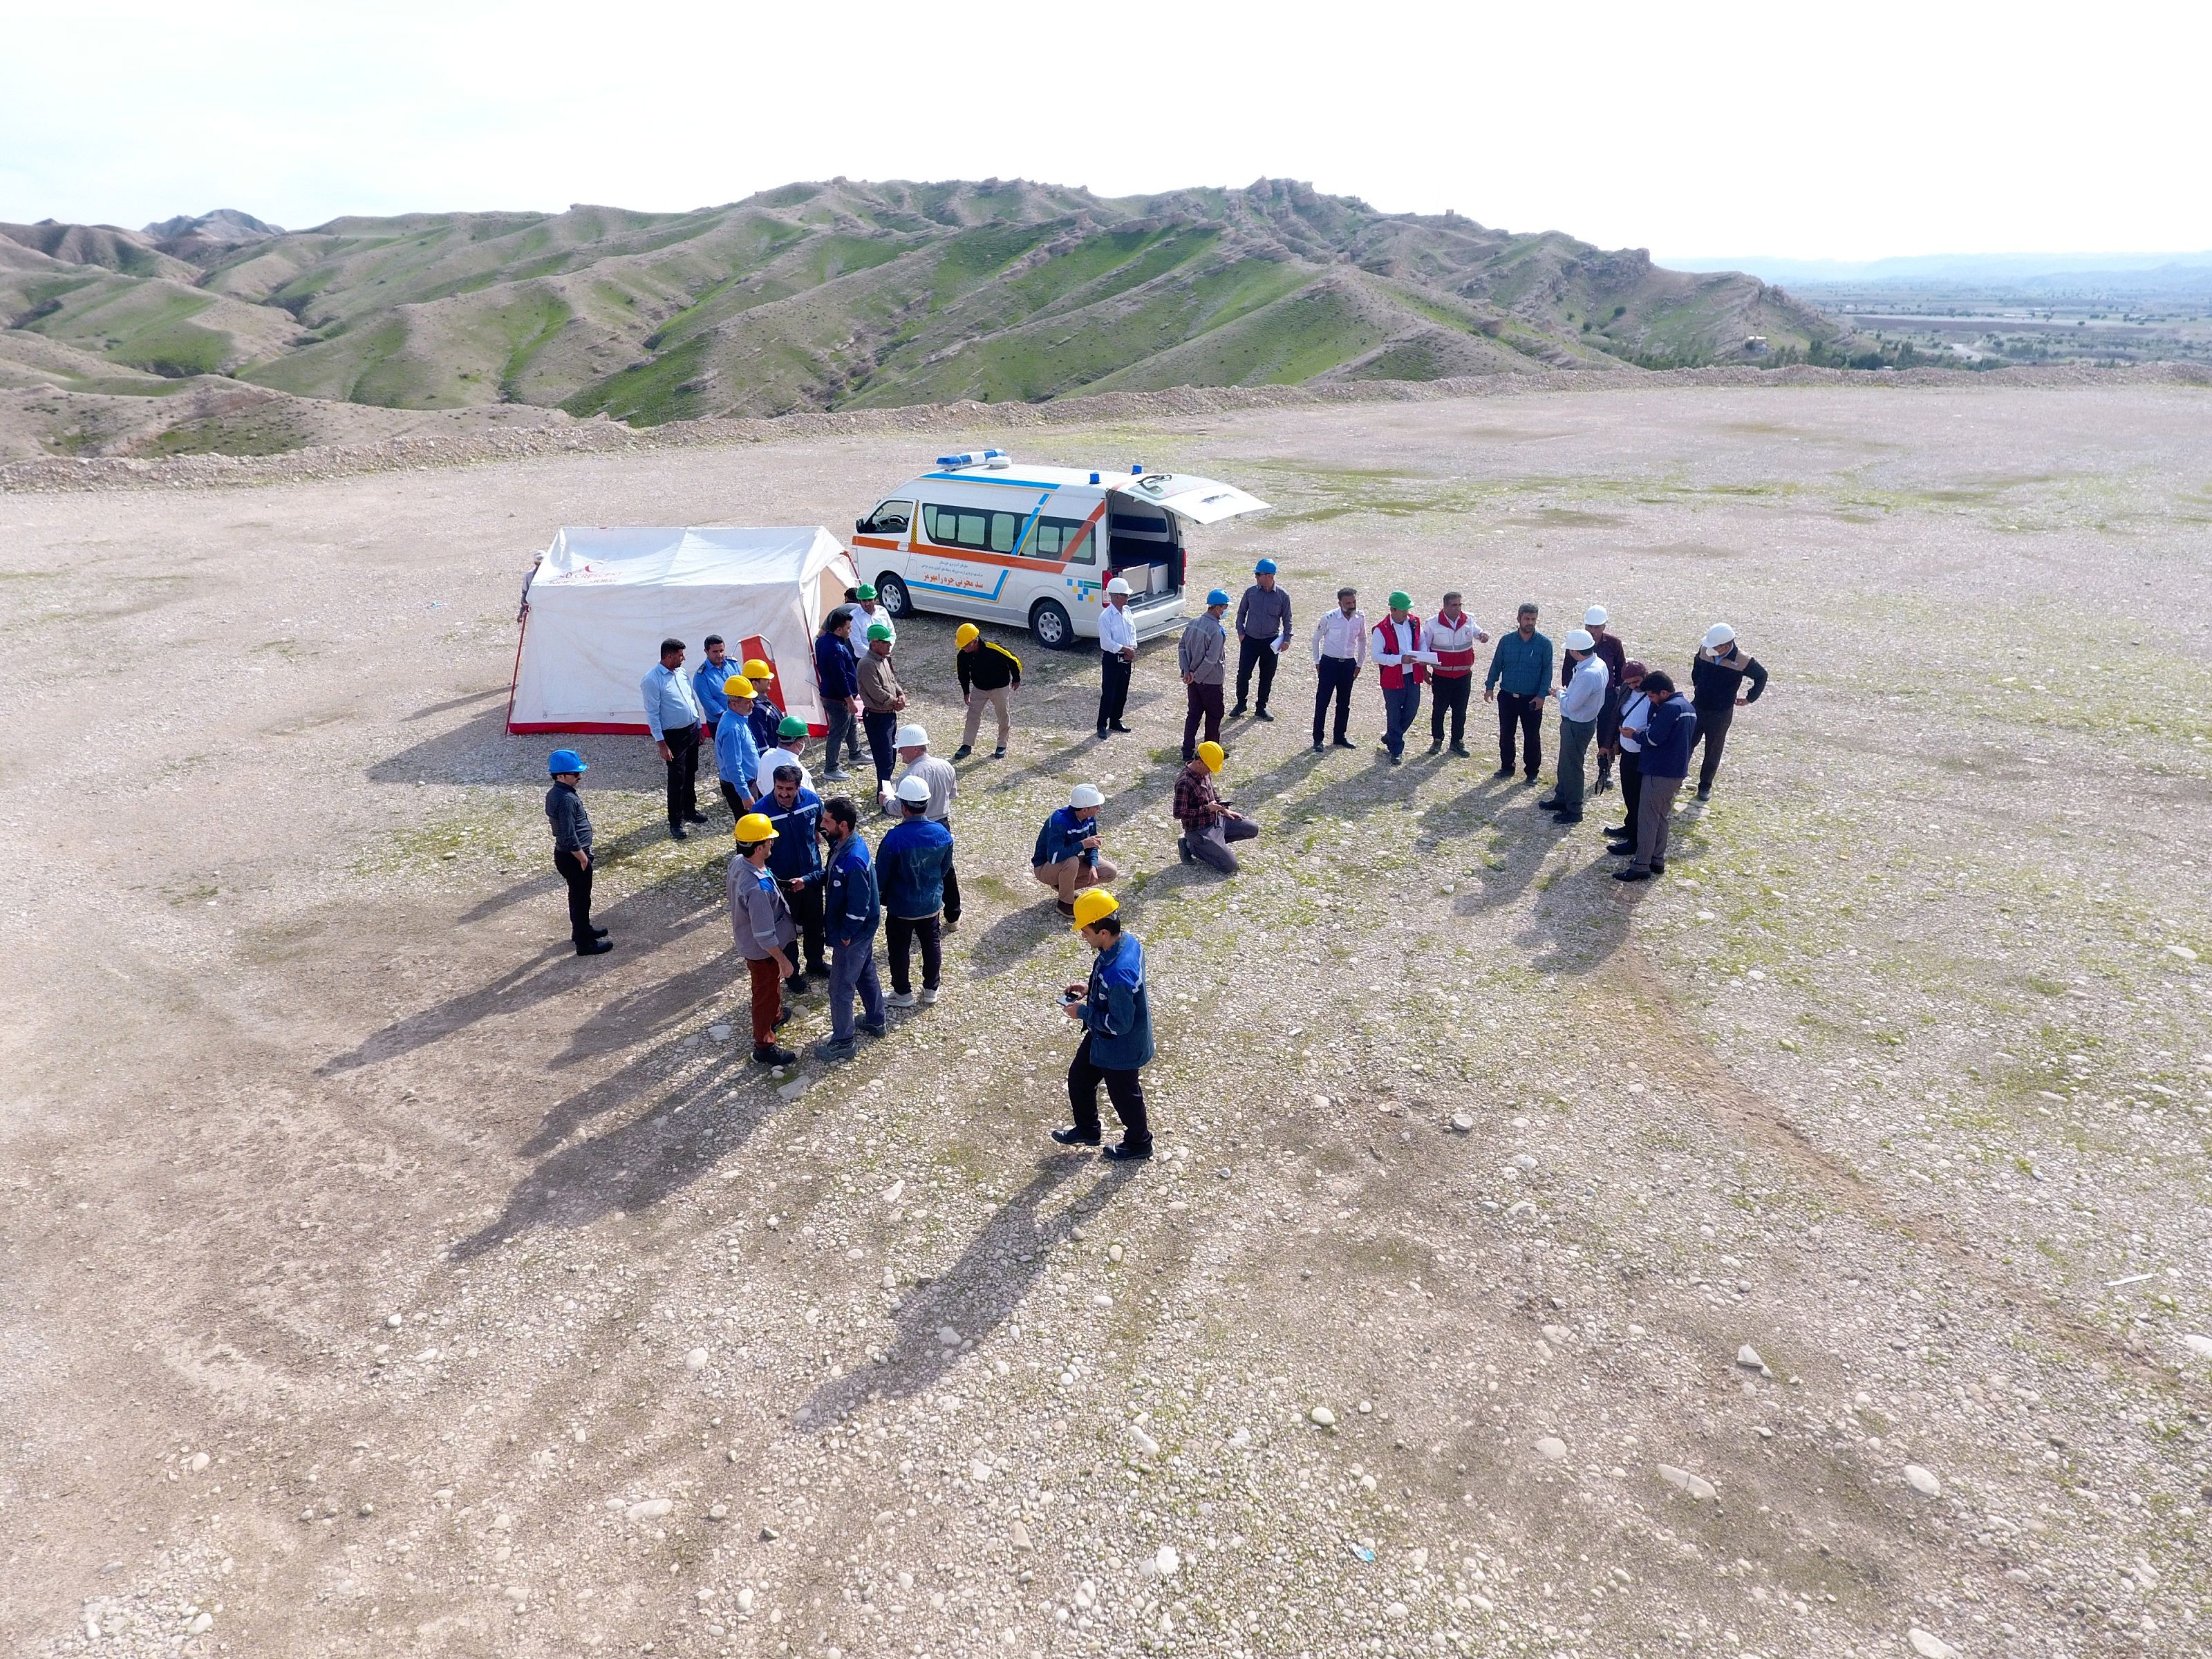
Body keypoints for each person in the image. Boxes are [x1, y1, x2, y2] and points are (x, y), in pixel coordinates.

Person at [1051, 890, 1154, 1161]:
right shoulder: (1126, 942)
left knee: (1125, 1097)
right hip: (1102, 1040)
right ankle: (1088, 1129)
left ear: (1103, 931)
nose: (1082, 935)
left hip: (1120, 1048)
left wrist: (1083, 1012)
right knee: (1079, 1079)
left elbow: (1120, 1024)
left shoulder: (1119, 974)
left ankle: (1140, 1143)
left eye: (1085, 930)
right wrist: (1090, 988)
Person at [814, 794, 886, 1062]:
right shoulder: (843, 844)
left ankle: (844, 1041)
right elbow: (832, 875)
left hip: (854, 933)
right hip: (862, 933)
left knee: (841, 986)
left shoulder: (853, 859)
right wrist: (809, 880)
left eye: (827, 820)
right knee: (866, 971)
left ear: (842, 825)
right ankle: (876, 1020)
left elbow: (859, 905)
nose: (822, 824)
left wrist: (845, 935)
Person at [728, 812, 798, 1065]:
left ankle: (776, 1016)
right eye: (769, 841)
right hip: (763, 951)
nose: (772, 844)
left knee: (771, 989)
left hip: (751, 941)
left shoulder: (739, 862)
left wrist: (779, 884)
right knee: (764, 993)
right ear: (759, 847)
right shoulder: (758, 890)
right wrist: (783, 961)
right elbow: (765, 935)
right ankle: (764, 1045)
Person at [878, 774, 953, 1007]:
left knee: (899, 950)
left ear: (903, 807)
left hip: (901, 906)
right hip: (931, 904)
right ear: (926, 804)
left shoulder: (894, 838)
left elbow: (881, 875)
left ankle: (902, 993)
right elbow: (945, 868)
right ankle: (931, 989)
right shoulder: (943, 834)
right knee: (932, 944)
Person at [1615, 671, 1697, 883]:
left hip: (1659, 771)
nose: (1650, 700)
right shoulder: (1687, 707)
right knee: (1662, 817)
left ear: (1663, 692)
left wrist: (1633, 734)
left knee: (1648, 818)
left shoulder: (1669, 709)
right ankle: (1657, 860)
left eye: (1652, 697)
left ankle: (1641, 864)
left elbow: (1653, 739)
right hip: (1675, 772)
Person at [758, 764, 827, 991]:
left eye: (790, 789)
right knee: (787, 932)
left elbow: (824, 828)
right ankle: (792, 974)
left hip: (810, 878)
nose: (784, 794)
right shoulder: (761, 812)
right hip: (782, 884)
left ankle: (816, 963)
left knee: (816, 924)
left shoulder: (812, 801)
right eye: (780, 788)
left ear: (799, 787)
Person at [891, 723, 962, 931]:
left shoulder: (909, 775)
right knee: (946, 869)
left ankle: (921, 916)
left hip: (918, 828)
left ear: (914, 748)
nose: (900, 752)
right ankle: (953, 916)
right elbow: (952, 794)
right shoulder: (946, 766)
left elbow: (899, 808)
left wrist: (886, 801)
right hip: (942, 825)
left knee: (916, 870)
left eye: (902, 748)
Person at [1689, 622, 1769, 801]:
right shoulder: (1705, 651)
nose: (1710, 649)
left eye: (1715, 647)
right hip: (1699, 706)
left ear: (1725, 646)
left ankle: (1705, 786)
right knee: (1687, 743)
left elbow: (1762, 676)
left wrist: (1750, 698)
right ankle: (1677, 778)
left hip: (1721, 712)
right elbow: (1697, 666)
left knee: (1713, 750)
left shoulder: (1743, 660)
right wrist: (1697, 685)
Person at [544, 748, 610, 956]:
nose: (579, 777)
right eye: (575, 773)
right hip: (574, 857)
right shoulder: (566, 799)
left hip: (566, 855)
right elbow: (567, 832)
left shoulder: (556, 793)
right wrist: (581, 856)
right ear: (561, 776)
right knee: (581, 899)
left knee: (578, 896)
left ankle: (582, 930)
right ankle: (584, 944)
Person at [641, 637, 708, 839]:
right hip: (673, 736)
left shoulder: (681, 673)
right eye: (680, 655)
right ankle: (675, 820)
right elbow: (652, 713)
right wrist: (661, 743)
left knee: (691, 772)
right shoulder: (652, 680)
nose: (684, 658)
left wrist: (698, 726)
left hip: (690, 730)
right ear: (669, 656)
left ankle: (690, 809)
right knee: (677, 778)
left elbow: (690, 700)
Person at [1543, 628, 1609, 824]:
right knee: (1566, 763)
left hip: (1577, 724)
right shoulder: (1598, 664)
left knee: (1572, 766)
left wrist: (1558, 693)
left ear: (1575, 652)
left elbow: (1572, 704)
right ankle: (1562, 798)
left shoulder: (1587, 673)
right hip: (1582, 722)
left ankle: (1574, 808)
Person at [1483, 603, 1553, 782]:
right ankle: (1507, 767)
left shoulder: (1544, 644)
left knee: (1532, 736)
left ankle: (1532, 772)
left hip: (1531, 699)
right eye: (1527, 619)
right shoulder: (1506, 641)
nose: (1530, 622)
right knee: (1506, 733)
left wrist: (1541, 696)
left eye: (1533, 619)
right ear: (1519, 619)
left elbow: (1547, 671)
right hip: (1507, 696)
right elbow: (1497, 664)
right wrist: (1490, 686)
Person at [1173, 740, 1258, 875]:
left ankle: (1215, 846)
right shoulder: (1184, 782)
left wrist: (1223, 808)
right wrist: (1207, 809)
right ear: (1199, 762)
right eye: (1210, 768)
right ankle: (1190, 846)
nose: (1211, 771)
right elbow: (1178, 813)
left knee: (1252, 828)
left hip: (1218, 820)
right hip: (1200, 830)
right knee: (1229, 866)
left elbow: (1212, 792)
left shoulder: (1204, 771)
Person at [1032, 783, 1118, 915]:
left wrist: (1093, 865)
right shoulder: (1059, 822)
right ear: (1084, 809)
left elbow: (1092, 844)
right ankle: (1065, 904)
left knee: (1110, 872)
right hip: (1045, 868)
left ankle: (1063, 886)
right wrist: (1082, 845)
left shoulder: (1089, 818)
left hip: (1065, 864)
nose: (1100, 808)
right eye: (1096, 806)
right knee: (1072, 861)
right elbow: (1054, 857)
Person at [1425, 591, 1488, 756]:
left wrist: (1483, 636)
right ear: (1445, 606)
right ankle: (1437, 740)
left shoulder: (1468, 620)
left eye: (1460, 605)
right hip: (1442, 676)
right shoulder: (1432, 624)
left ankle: (1457, 742)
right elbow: (1424, 647)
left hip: (1463, 675)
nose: (1458, 608)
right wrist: (1424, 670)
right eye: (1454, 605)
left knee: (1460, 710)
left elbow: (1478, 632)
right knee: (1439, 709)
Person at [1574, 606, 1628, 794]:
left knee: (1606, 735)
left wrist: (1617, 691)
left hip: (1607, 698)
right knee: (1578, 732)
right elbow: (1567, 671)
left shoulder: (1614, 644)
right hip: (1584, 697)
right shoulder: (1577, 642)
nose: (1593, 631)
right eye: (1589, 626)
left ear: (1604, 626)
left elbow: (1622, 669)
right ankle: (1573, 771)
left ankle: (1605, 770)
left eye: (1597, 627)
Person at [1230, 559, 1292, 720]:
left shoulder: (1283, 596)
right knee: (1243, 674)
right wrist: (1241, 633)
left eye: (1259, 574)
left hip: (1271, 643)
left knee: (1267, 676)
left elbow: (1287, 619)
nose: (1256, 577)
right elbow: (1241, 613)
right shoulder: (1250, 592)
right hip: (1250, 640)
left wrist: (1287, 639)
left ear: (1270, 576)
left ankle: (1261, 707)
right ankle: (1241, 703)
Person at [1371, 591, 1428, 765]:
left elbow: (1422, 641)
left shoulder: (1415, 622)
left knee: (1412, 709)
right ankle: (1396, 748)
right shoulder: (1381, 630)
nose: (1406, 613)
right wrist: (1399, 660)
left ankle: (1391, 736)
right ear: (1392, 609)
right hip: (1392, 678)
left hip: (1413, 675)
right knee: (1394, 713)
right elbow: (1376, 656)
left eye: (1408, 610)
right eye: (1403, 610)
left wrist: (1423, 655)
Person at [1310, 586, 1367, 751]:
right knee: (1322, 702)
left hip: (1348, 664)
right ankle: (1318, 738)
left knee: (1344, 703)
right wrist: (1317, 661)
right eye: (1348, 603)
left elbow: (1363, 640)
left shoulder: (1359, 618)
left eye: (1354, 602)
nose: (1352, 605)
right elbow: (1316, 639)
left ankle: (1340, 736)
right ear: (1340, 603)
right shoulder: (1329, 617)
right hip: (1329, 663)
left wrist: (1360, 664)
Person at [953, 624, 1022, 760]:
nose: (963, 648)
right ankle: (967, 745)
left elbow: (1013, 662)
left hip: (1000, 688)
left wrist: (1016, 679)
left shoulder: (994, 649)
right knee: (972, 716)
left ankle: (1002, 745)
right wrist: (966, 692)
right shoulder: (963, 655)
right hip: (979, 688)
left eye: (966, 645)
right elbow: (963, 674)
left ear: (975, 641)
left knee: (1003, 715)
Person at [1603, 662, 1650, 859]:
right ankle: (1630, 826)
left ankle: (1635, 841)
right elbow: (1616, 715)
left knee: (1639, 798)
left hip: (1644, 754)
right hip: (1628, 752)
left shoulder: (1653, 691)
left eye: (1636, 682)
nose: (1633, 686)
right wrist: (1607, 744)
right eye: (1629, 683)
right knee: (1628, 794)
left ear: (1644, 676)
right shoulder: (1626, 689)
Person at [1179, 589, 1230, 762]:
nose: (1226, 610)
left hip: (1193, 681)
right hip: (1211, 682)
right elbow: (1212, 659)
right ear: (1217, 608)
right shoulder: (1216, 630)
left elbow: (1182, 648)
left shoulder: (1193, 623)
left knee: (1193, 715)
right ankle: (1210, 754)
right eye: (1225, 607)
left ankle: (1187, 751)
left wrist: (1187, 672)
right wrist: (1197, 676)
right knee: (1214, 717)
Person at [857, 622, 906, 796]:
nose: (889, 645)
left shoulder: (884, 660)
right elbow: (876, 691)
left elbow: (892, 681)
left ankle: (887, 788)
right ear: (874, 643)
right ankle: (884, 795)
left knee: (891, 754)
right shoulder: (867, 664)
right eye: (885, 642)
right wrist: (895, 702)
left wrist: (901, 695)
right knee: (883, 758)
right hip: (877, 717)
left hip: (889, 716)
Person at [814, 608, 862, 781]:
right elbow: (839, 677)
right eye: (848, 628)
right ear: (839, 629)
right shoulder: (836, 648)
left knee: (851, 725)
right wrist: (849, 700)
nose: (850, 631)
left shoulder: (822, 641)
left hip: (832, 694)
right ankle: (831, 768)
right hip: (837, 698)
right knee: (837, 733)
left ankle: (855, 753)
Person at [713, 675, 764, 818]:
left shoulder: (737, 718)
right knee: (750, 827)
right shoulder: (732, 729)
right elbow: (733, 766)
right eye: (748, 702)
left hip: (747, 783)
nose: (752, 705)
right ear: (734, 704)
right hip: (741, 786)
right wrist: (745, 794)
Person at [1095, 577, 1138, 738]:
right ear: (1117, 597)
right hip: (1113, 659)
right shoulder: (1105, 617)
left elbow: (1132, 631)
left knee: (1122, 692)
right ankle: (1102, 724)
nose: (1128, 598)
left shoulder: (1127, 612)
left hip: (1126, 658)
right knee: (1109, 693)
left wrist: (1132, 647)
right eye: (1125, 595)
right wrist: (1125, 649)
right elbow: (1106, 643)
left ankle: (1115, 720)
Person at [752, 715, 813, 801]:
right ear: (798, 744)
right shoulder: (796, 770)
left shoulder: (767, 756)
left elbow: (760, 784)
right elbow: (810, 800)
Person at [693, 635, 742, 739]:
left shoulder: (732, 664)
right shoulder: (701, 675)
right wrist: (729, 717)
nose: (720, 655)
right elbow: (708, 702)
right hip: (720, 722)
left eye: (722, 650)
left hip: (741, 716)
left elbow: (744, 686)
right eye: (715, 652)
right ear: (706, 651)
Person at [742, 657, 785, 755]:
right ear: (755, 683)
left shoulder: (762, 700)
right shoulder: (755, 709)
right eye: (766, 679)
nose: (770, 681)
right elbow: (761, 743)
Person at [851, 583, 897, 648]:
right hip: (864, 657)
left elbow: (892, 634)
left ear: (875, 599)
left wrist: (887, 650)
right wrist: (875, 654)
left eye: (870, 600)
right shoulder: (853, 617)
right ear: (859, 601)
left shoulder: (883, 611)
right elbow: (857, 643)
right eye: (864, 601)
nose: (867, 604)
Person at [518, 551, 542, 623]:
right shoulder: (529, 576)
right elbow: (525, 595)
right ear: (536, 564)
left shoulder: (553, 575)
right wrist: (522, 613)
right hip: (537, 610)